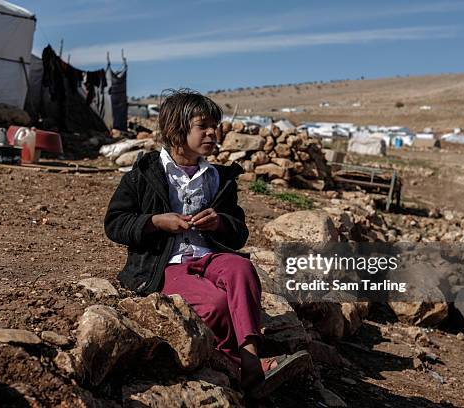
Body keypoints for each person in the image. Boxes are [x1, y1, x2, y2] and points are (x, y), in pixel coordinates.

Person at [104, 89, 310, 397]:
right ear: (177, 130)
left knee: (241, 268)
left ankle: (251, 359)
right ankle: (243, 367)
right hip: (165, 264)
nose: (214, 133)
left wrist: (221, 222)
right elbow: (115, 223)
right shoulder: (145, 173)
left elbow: (239, 232)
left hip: (209, 256)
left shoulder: (216, 177)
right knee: (214, 305)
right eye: (204, 126)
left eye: (216, 125)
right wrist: (157, 222)